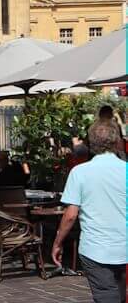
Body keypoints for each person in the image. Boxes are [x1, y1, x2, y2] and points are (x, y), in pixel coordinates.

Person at [52, 121, 126, 303]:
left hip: (95, 248)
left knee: (106, 294)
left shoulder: (80, 172)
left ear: (91, 144)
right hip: (124, 245)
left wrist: (57, 242)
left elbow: (70, 215)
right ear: (117, 141)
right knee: (120, 292)